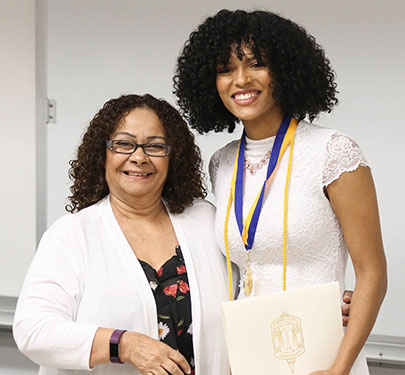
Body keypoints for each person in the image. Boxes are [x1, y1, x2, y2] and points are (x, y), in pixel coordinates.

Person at [174, 9, 387, 375]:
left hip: (324, 358)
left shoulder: (333, 151)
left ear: (284, 71)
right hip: (246, 356)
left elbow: (373, 273)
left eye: (256, 64)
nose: (240, 80)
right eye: (226, 69)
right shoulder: (221, 164)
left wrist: (339, 369)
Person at [13, 94, 230, 375]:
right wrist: (124, 345)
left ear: (172, 156)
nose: (139, 157)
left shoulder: (206, 220)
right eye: (124, 144)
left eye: (155, 146)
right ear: (102, 154)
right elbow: (33, 330)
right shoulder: (71, 236)